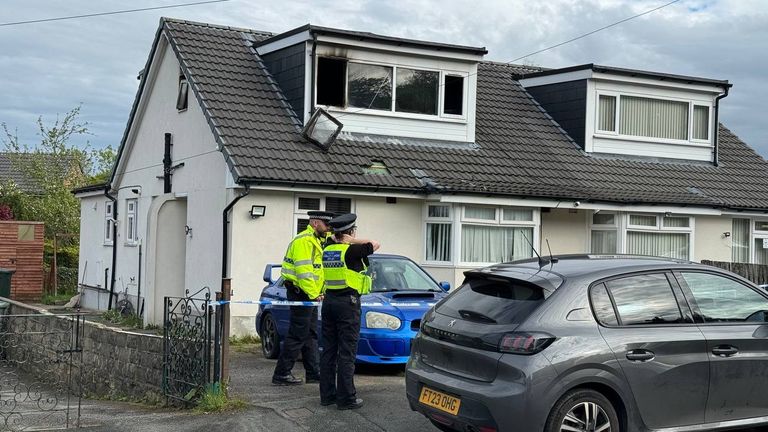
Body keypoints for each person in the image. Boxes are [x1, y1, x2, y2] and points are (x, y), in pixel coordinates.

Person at [319, 213, 380, 410]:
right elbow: (375, 243)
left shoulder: (328, 248)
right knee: (346, 352)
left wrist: (341, 236)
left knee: (329, 350)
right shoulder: (352, 250)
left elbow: (332, 238)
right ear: (351, 232)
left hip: (329, 302)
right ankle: (346, 399)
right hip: (347, 304)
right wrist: (352, 240)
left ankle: (327, 396)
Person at [272, 210, 335, 386]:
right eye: (326, 224)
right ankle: (282, 374)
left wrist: (318, 292)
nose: (328, 228)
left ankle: (313, 373)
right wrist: (314, 293)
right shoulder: (304, 241)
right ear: (315, 223)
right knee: (298, 334)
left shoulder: (317, 240)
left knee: (310, 334)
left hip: (309, 294)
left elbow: (317, 271)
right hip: (302, 292)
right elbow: (304, 272)